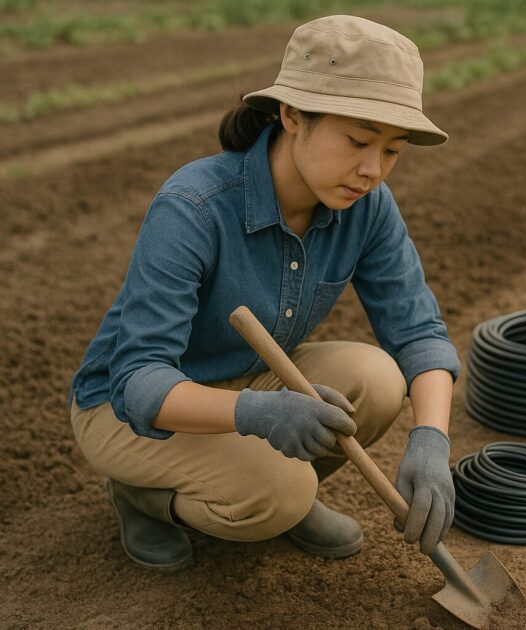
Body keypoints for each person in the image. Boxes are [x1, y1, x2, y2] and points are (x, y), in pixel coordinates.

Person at [67, 15, 460, 571]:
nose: (373, 169)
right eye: (357, 140)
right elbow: (140, 381)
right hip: (128, 410)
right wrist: (257, 412)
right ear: (293, 115)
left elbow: (417, 331)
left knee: (378, 378)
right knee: (278, 491)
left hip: (248, 378)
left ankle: (275, 489)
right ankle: (146, 497)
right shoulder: (194, 206)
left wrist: (431, 440)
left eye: (393, 150)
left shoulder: (367, 207)